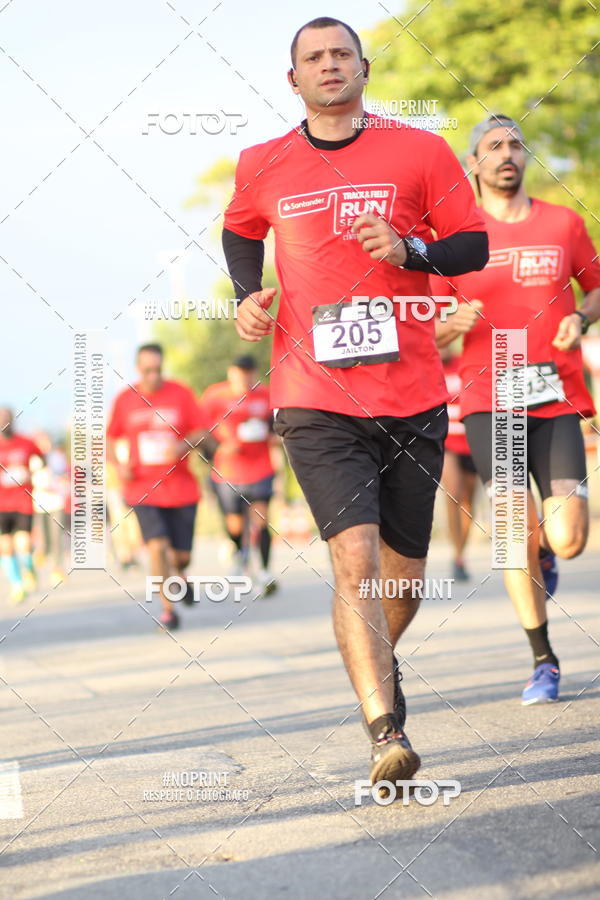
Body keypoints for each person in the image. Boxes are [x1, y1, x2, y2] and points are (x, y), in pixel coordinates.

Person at [222, 16, 488, 789]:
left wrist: (413, 251)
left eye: (342, 53)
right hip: (314, 396)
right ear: (293, 79)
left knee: (403, 578)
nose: (329, 65)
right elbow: (240, 230)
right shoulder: (263, 162)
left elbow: (471, 245)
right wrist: (248, 295)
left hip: (411, 393)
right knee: (356, 561)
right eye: (314, 57)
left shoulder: (420, 152)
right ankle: (384, 731)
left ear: (364, 68)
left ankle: (373, 658)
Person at [433, 114, 600, 704]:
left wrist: (581, 316)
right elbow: (432, 335)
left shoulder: (563, 223)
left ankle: (548, 553)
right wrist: (452, 324)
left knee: (570, 537)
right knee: (510, 535)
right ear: (474, 164)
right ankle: (544, 660)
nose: (507, 153)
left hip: (555, 397)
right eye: (493, 146)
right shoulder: (454, 238)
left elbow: (596, 285)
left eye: (515, 144)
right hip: (489, 401)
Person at [107, 344, 206, 631]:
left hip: (181, 488)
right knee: (156, 546)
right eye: (147, 370)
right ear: (138, 369)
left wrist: (182, 445)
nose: (153, 375)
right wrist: (119, 466)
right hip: (142, 488)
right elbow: (110, 439)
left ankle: (181, 573)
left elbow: (202, 431)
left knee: (180, 556)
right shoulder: (125, 399)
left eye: (157, 369)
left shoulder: (181, 393)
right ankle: (167, 610)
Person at [200, 355, 278, 595]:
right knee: (234, 525)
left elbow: (276, 425)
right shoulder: (214, 397)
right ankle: (239, 554)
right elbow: (199, 431)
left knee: (260, 520)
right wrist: (219, 448)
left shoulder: (265, 395)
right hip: (227, 472)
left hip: (260, 468)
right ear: (231, 372)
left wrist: (274, 436)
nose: (246, 378)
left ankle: (264, 571)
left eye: (250, 373)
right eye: (241, 372)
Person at [439, 347, 478, 581]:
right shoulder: (428, 365)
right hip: (445, 440)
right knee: (453, 492)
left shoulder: (465, 362)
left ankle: (460, 555)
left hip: (472, 438)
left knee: (468, 500)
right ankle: (456, 550)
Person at [0, 408, 45, 603]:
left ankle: (29, 568)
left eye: (7, 418)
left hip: (22, 500)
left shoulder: (25, 442)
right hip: (2, 503)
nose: (4, 422)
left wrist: (31, 472)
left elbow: (42, 459)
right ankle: (17, 585)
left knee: (23, 543)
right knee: (6, 546)